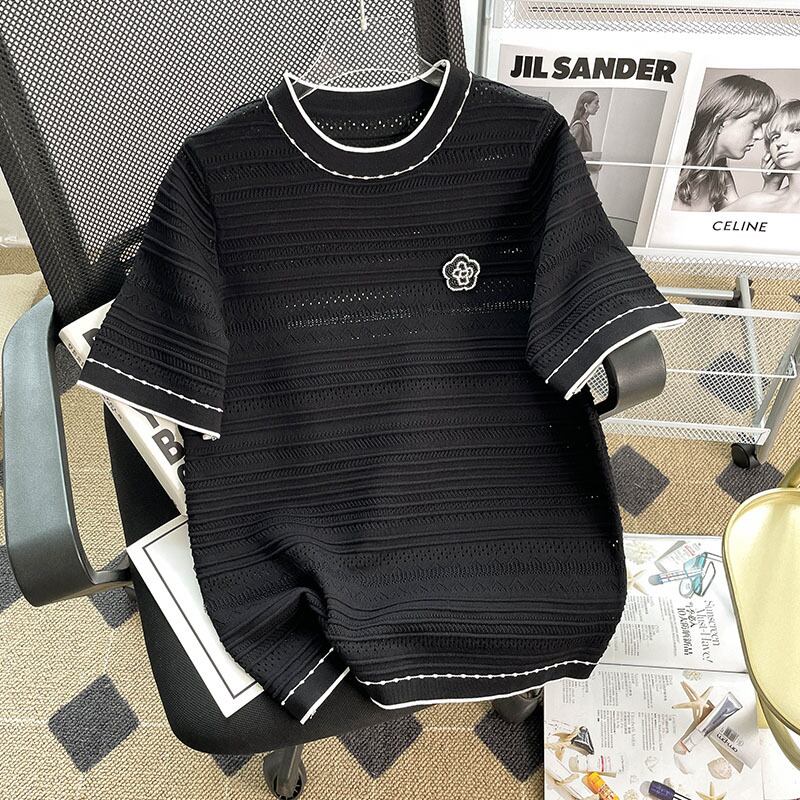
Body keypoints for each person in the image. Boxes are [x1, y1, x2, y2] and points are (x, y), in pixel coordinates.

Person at [673, 74, 780, 212]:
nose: (760, 135)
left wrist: (771, 185)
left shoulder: (720, 175)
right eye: (755, 124)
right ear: (723, 120)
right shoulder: (672, 159)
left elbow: (738, 220)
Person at [726, 99, 800, 213]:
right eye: (775, 137)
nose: (780, 143)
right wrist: (771, 185)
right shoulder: (754, 202)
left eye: (796, 131)